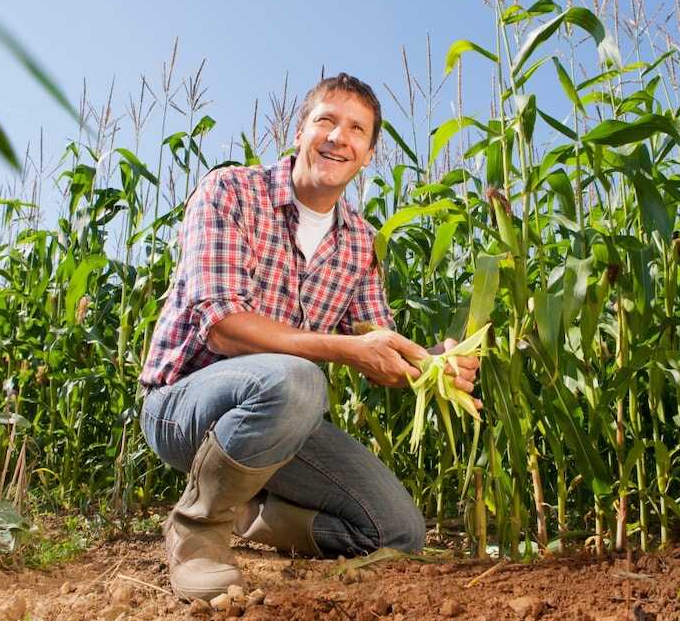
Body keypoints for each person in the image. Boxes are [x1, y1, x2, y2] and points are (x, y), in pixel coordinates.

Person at [138, 72, 482, 602]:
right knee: (298, 379)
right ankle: (198, 529)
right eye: (326, 120)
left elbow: (378, 345)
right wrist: (345, 349)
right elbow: (223, 327)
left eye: (356, 129)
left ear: (368, 155)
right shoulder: (231, 192)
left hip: (280, 420)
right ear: (299, 132)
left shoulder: (361, 242)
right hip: (182, 407)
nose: (338, 137)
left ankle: (252, 512)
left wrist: (432, 363)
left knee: (397, 532)